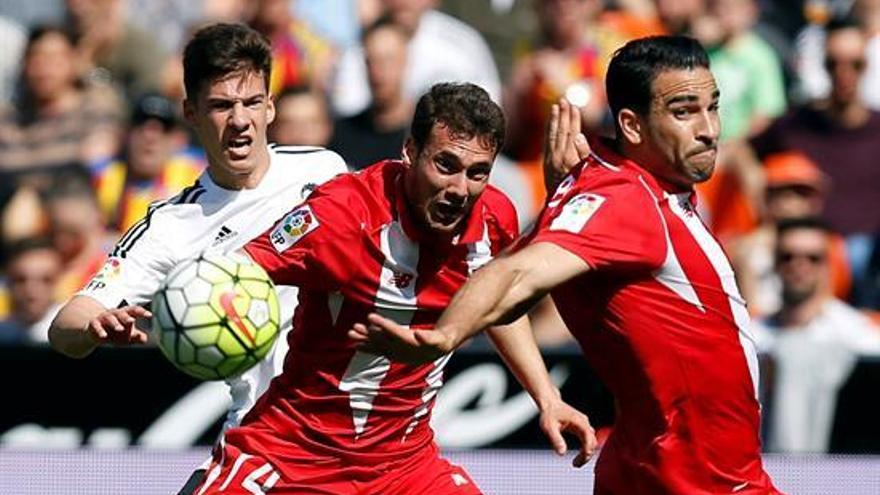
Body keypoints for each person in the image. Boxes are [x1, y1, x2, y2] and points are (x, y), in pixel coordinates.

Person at [352, 36, 782, 494]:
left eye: (711, 108)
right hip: (702, 480)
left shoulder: (627, 191)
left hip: (657, 465)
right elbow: (517, 272)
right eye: (683, 111)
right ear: (633, 127)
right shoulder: (629, 201)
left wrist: (561, 195)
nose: (709, 129)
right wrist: (443, 337)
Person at [194, 83, 596, 494]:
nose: (460, 189)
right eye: (446, 164)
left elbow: (496, 305)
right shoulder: (342, 215)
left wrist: (547, 397)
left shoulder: (493, 220)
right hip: (296, 453)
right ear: (409, 151)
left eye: (477, 173)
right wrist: (156, 314)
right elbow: (230, 275)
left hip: (405, 467)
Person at [46, 23, 347, 494]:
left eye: (251, 102)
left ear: (270, 105)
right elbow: (65, 325)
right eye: (222, 106)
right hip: (264, 435)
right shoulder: (170, 225)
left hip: (354, 429)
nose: (240, 120)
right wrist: (94, 328)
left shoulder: (325, 170)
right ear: (190, 112)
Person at [753, 217, 880, 453]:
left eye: (813, 258)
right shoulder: (753, 335)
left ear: (828, 264)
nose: (799, 266)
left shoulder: (859, 336)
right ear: (774, 263)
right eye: (788, 257)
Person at [0, 237, 62, 344]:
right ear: (8, 281)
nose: (31, 290)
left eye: (45, 280)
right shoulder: (3, 333)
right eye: (20, 280)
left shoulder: (77, 333)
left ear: (59, 281)